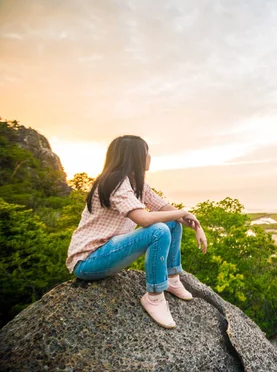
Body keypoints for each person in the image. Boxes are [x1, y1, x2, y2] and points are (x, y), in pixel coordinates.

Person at [65, 135, 208, 329]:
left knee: (173, 224)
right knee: (158, 230)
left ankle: (172, 278)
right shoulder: (115, 182)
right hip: (89, 261)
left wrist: (196, 225)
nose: (149, 157)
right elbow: (144, 219)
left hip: (110, 252)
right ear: (136, 156)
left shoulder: (136, 183)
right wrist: (183, 212)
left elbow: (165, 208)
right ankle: (155, 297)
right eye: (146, 153)